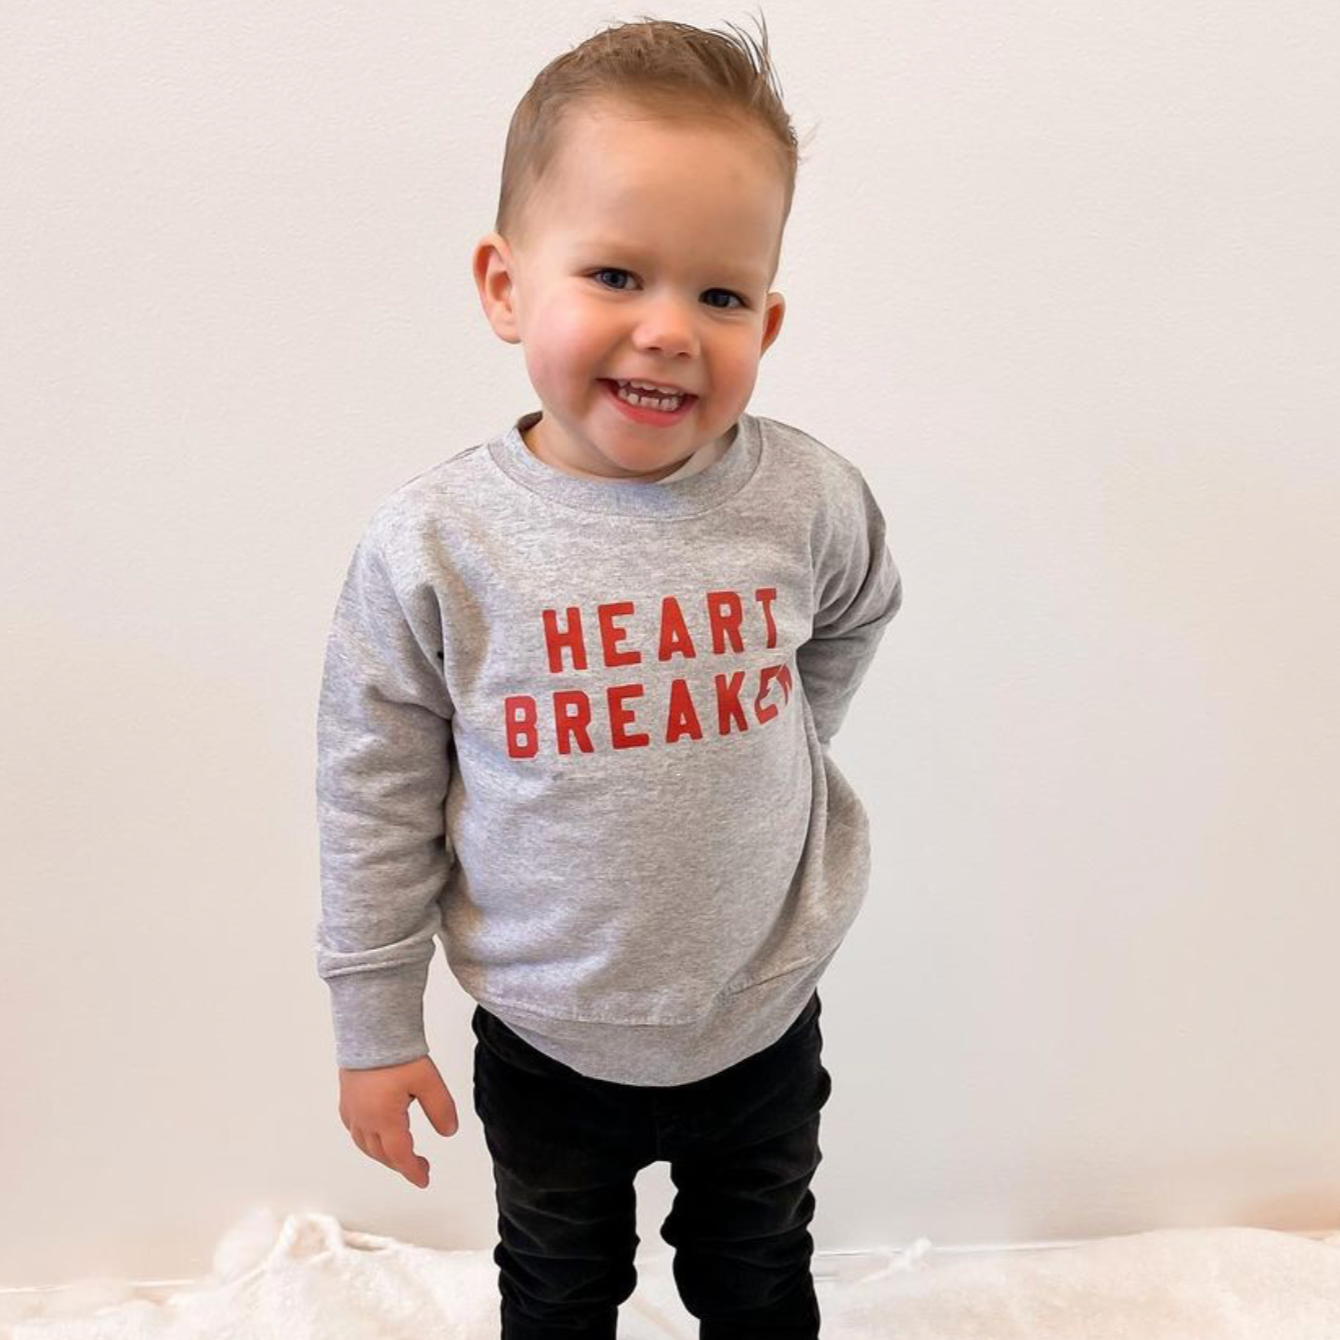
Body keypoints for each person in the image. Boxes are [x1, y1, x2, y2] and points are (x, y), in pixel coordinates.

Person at [314, 13, 903, 1338]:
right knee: (559, 1287)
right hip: (548, 1040)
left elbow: (859, 610)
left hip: (760, 1021)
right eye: (617, 274)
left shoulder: (806, 498)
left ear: (769, 318)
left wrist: (784, 747)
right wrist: (375, 1026)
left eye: (721, 296)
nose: (669, 331)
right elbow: (372, 796)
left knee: (760, 1277)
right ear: (506, 285)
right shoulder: (436, 544)